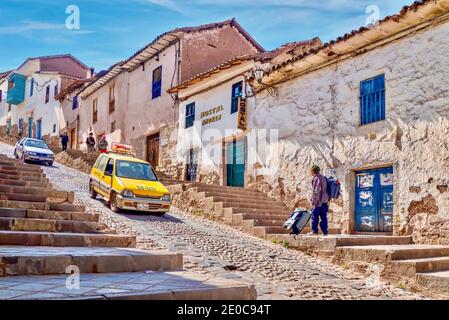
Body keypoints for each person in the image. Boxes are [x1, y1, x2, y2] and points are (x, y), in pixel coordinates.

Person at [310, 165, 329, 236]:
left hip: (318, 201)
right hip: (325, 200)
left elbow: (316, 191)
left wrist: (313, 201)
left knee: (314, 216)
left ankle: (314, 231)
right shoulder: (324, 178)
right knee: (324, 217)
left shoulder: (316, 178)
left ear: (312, 171)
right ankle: (325, 232)